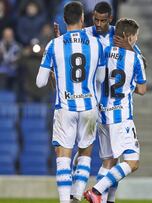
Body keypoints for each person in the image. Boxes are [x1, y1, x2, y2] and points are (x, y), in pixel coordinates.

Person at [35, 2, 105, 203]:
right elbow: (99, 78)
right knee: (85, 153)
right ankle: (76, 195)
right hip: (89, 108)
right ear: (83, 19)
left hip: (65, 107)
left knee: (63, 157)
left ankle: (65, 201)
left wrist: (55, 73)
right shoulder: (95, 44)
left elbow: (40, 82)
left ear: (65, 20)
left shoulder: (53, 45)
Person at [83, 18, 147, 203]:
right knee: (132, 163)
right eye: (135, 36)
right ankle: (96, 191)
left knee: (109, 163)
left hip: (102, 115)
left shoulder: (103, 51)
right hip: (121, 116)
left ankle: (105, 200)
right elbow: (142, 90)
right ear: (128, 36)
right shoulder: (135, 57)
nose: (136, 39)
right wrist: (131, 83)